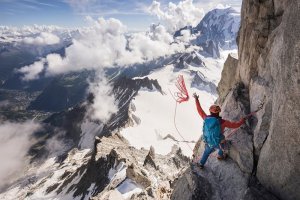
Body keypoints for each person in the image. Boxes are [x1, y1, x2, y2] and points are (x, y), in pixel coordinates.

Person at [193, 93, 246, 169]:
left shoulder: (206, 118)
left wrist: (196, 99)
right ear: (218, 112)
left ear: (210, 112)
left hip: (208, 142)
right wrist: (242, 121)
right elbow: (235, 125)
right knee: (223, 144)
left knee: (206, 152)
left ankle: (201, 164)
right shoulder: (222, 122)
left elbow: (200, 110)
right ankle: (220, 156)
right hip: (219, 142)